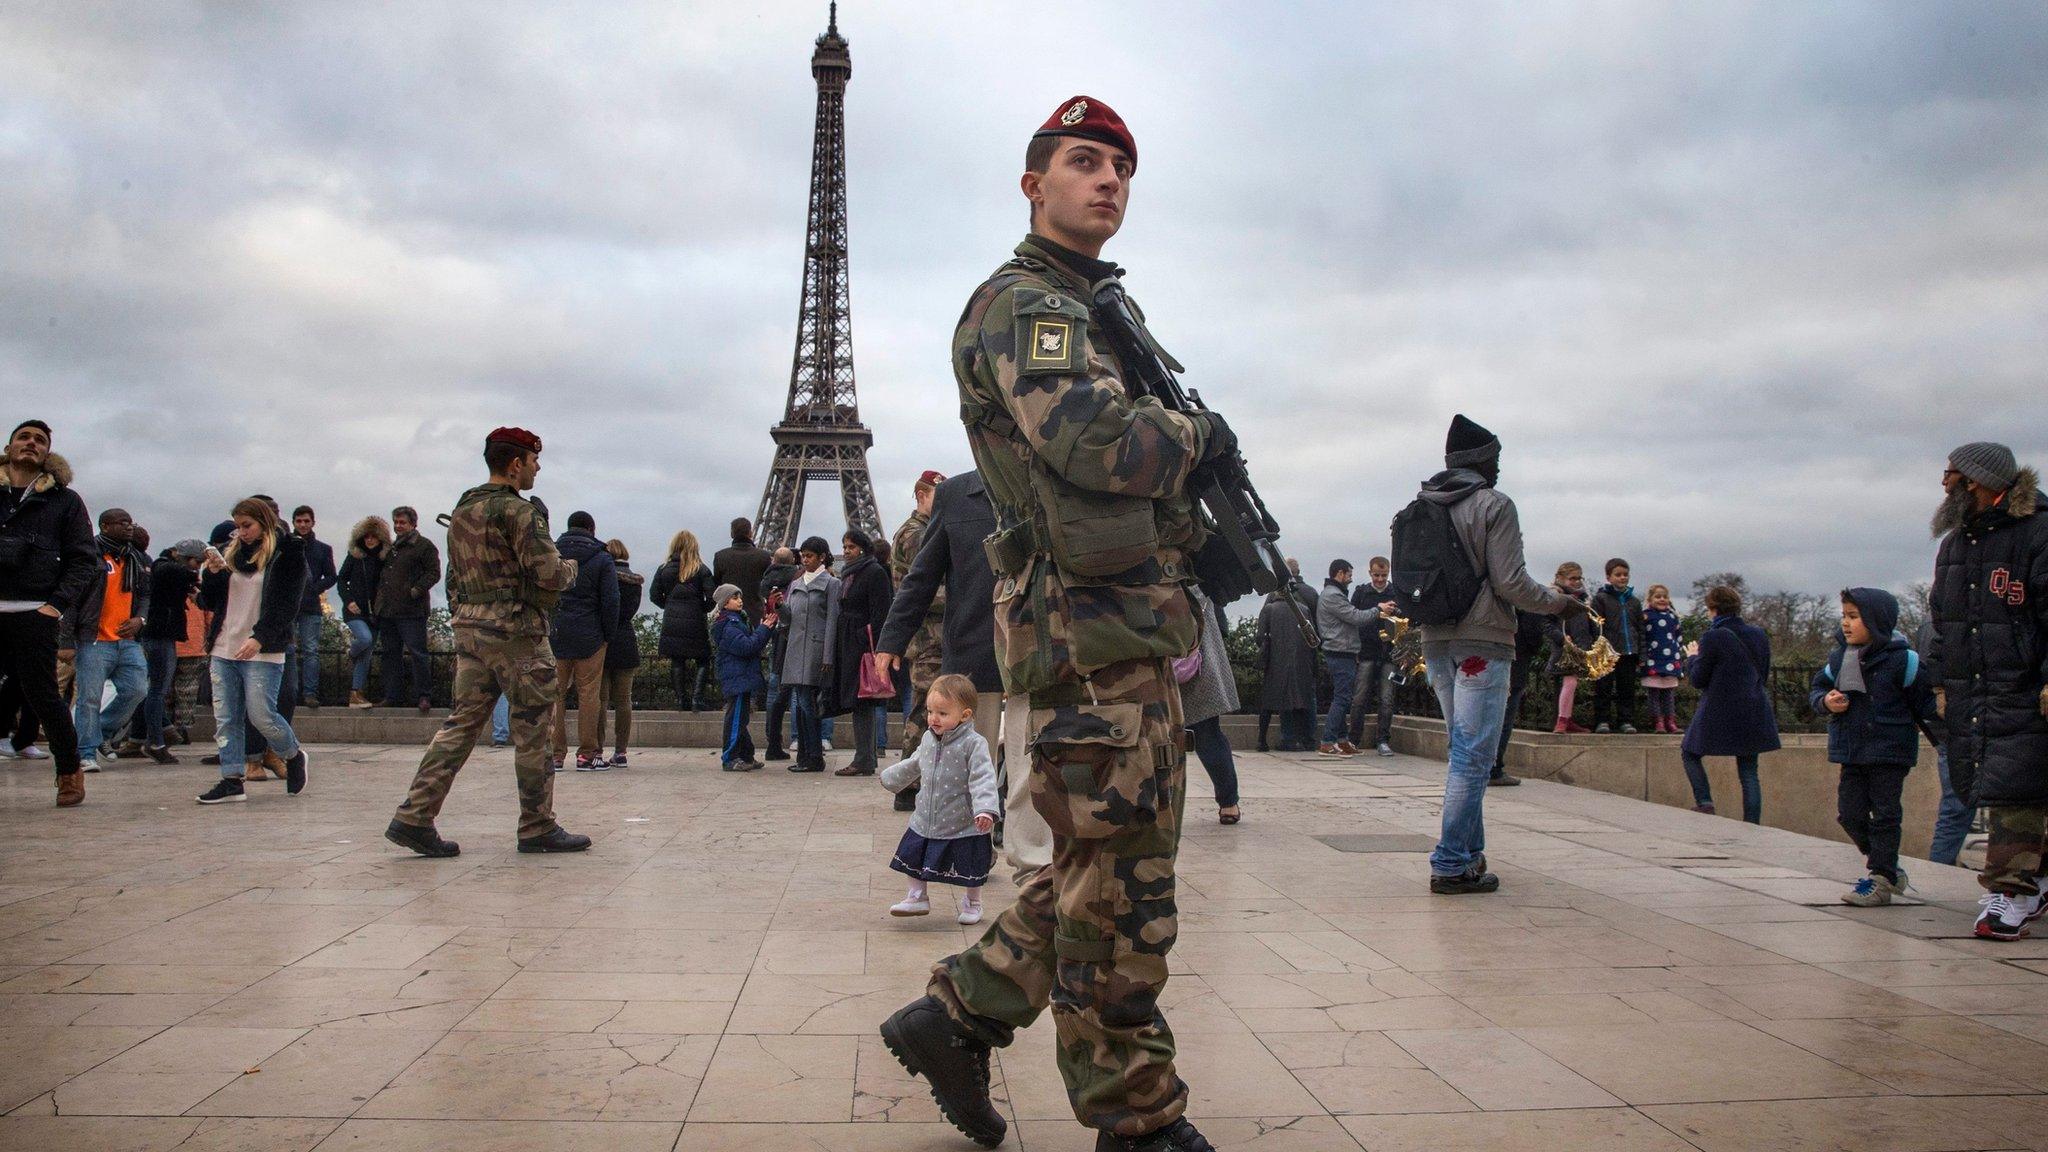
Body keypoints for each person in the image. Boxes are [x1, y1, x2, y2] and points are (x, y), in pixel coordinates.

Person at [880, 97, 1229, 1152]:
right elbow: (1088, 442)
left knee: (1101, 861)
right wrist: (1197, 436)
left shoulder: (1088, 307)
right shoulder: (1027, 305)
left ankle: (956, 1017)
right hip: (1084, 628)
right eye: (1082, 161)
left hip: (1115, 622)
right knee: (1123, 890)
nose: (1107, 180)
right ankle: (1135, 1119)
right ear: (1031, 185)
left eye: (1121, 165)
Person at [387, 427, 587, 857]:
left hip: (471, 629)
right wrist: (570, 566)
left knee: (461, 724)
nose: (537, 467)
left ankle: (414, 815)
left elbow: (454, 578)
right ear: (516, 463)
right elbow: (549, 574)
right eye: (534, 460)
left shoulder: (463, 510)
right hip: (517, 633)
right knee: (534, 728)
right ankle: (537, 824)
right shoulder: (520, 513)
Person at [1408, 414, 1579, 895]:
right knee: (1472, 756)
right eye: (1496, 457)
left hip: (1436, 643)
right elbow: (1510, 582)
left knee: (1465, 751)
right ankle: (1449, 861)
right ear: (1482, 460)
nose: (1499, 466)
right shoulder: (1494, 505)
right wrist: (1558, 602)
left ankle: (1469, 854)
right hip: (1483, 643)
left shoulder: (1422, 506)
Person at [1928, 442, 2048, 940]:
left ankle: (2013, 893)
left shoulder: (2039, 532)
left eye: (1950, 473)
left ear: (1977, 480)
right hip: (1975, 689)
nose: (1944, 483)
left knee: (2018, 788)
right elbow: (1942, 620)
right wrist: (1938, 679)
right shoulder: (1956, 544)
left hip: (2026, 686)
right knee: (1998, 785)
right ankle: (2028, 883)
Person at [876, 471, 1030, 850]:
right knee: (966, 762)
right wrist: (892, 637)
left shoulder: (1047, 480)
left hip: (1035, 647)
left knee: (1031, 766)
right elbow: (921, 576)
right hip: (975, 649)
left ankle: (1034, 862)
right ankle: (968, 848)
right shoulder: (954, 495)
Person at [1813, 587, 1942, 906]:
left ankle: (1881, 878)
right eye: (1844, 615)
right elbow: (1819, 687)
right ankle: (1888, 867)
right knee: (1849, 814)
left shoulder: (1904, 660)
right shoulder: (1838, 657)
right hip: (1851, 749)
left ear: (1876, 620)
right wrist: (1826, 701)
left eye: (1854, 617)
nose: (1845, 623)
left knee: (1885, 814)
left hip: (1890, 750)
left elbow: (1925, 702)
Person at [0, 419, 97, 806]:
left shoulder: (64, 500)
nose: (31, 443)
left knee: (43, 696)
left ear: (47, 453)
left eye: (40, 440)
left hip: (34, 611)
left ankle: (69, 772)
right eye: (24, 437)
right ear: (9, 446)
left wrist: (54, 606)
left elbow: (83, 559)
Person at [195, 497, 310, 803]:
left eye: (247, 526)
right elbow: (209, 601)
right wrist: (213, 574)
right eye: (237, 527)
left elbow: (288, 603)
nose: (241, 533)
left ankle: (293, 754)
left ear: (264, 523)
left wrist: (260, 637)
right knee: (227, 717)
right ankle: (231, 778)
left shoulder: (287, 552)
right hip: (225, 644)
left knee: (262, 715)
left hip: (263, 647)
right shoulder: (231, 554)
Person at [881, 673, 1000, 923]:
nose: (933, 718)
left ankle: (973, 903)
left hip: (963, 822)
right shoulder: (928, 738)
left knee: (970, 866)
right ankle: (916, 896)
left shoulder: (973, 744)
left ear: (965, 715)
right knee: (913, 855)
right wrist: (892, 777)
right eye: (930, 711)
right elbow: (915, 762)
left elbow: (983, 778)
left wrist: (985, 809)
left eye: (942, 713)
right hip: (925, 817)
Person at [1679, 585, 1779, 823]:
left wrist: (1692, 657)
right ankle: (1752, 822)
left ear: (1712, 609)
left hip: (1719, 709)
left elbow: (1698, 679)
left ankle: (1704, 802)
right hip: (1753, 706)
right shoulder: (1758, 634)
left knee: (1689, 752)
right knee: (1748, 770)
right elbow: (1763, 672)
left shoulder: (1713, 637)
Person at [65, 507, 152, 773]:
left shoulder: (136, 557)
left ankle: (101, 732)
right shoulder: (88, 555)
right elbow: (71, 598)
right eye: (122, 522)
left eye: (130, 521)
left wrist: (140, 619)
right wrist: (66, 639)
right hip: (94, 638)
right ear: (105, 526)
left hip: (127, 639)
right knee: (90, 697)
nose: (129, 527)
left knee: (137, 690)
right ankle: (86, 752)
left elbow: (145, 595)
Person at [549, 510, 619, 772]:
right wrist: (607, 635)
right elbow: (611, 601)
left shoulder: (553, 553)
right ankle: (587, 754)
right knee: (589, 696)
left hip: (556, 632)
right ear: (592, 529)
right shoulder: (602, 558)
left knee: (555, 694)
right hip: (590, 633)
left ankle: (556, 754)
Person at [823, 528, 892, 777]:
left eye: (850, 547)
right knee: (859, 700)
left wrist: (863, 635)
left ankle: (864, 758)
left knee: (862, 700)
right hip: (850, 642)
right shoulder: (850, 574)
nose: (846, 552)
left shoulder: (873, 572)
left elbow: (881, 611)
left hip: (861, 646)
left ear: (862, 548)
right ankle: (866, 757)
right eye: (844, 547)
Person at [890, 470, 947, 759]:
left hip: (928, 635)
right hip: (928, 636)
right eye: (940, 497)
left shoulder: (919, 531)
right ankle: (910, 782)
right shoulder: (917, 535)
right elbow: (922, 590)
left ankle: (912, 779)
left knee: (929, 706)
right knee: (927, 708)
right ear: (922, 495)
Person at [138, 539, 205, 763]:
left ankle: (160, 732)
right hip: (159, 634)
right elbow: (187, 576)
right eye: (196, 561)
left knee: (157, 690)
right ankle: (155, 741)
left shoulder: (166, 568)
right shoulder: (164, 567)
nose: (197, 567)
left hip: (162, 634)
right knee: (157, 690)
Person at [1316, 559, 1390, 757]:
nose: (1350, 578)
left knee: (1343, 696)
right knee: (1342, 698)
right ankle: (1327, 741)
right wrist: (1379, 609)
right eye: (1348, 574)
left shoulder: (1333, 593)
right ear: (1340, 574)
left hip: (1342, 651)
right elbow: (1356, 617)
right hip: (1340, 652)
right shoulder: (1333, 595)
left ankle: (1342, 741)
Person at [1182, 585, 1243, 823]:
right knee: (1208, 735)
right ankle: (1229, 803)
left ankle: (1229, 801)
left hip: (1183, 664)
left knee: (1206, 735)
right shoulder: (1201, 579)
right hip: (1199, 665)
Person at [779, 537, 840, 773]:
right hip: (796, 650)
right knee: (804, 705)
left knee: (808, 706)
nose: (805, 560)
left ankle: (813, 757)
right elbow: (789, 619)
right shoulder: (795, 584)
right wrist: (778, 607)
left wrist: (827, 656)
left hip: (815, 652)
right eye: (803, 556)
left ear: (822, 557)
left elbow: (833, 621)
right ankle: (806, 756)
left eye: (810, 556)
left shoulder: (831, 584)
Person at [1915, 618, 1972, 866]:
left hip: (1945, 727)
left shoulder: (1929, 625)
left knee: (1954, 807)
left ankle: (1940, 867)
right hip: (1962, 724)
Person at [376, 506, 440, 712]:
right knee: (390, 654)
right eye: (395, 522)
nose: (398, 526)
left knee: (418, 654)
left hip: (412, 611)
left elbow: (433, 573)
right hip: (389, 610)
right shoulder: (391, 548)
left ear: (413, 523)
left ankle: (424, 695)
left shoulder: (424, 546)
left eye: (402, 522)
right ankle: (393, 695)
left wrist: (416, 590)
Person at [710, 582, 774, 771]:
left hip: (741, 677)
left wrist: (764, 629)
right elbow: (747, 647)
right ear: (725, 602)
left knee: (740, 719)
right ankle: (730, 757)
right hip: (737, 677)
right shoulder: (729, 624)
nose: (739, 601)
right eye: (734, 598)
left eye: (739, 597)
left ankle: (746, 755)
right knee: (736, 719)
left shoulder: (737, 620)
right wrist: (764, 629)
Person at [651, 530, 717, 711]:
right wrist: (701, 609)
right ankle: (697, 699)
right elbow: (712, 597)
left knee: (677, 660)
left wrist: (670, 606)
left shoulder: (663, 569)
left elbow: (654, 595)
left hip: (672, 621)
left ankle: (681, 700)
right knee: (703, 659)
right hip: (695, 620)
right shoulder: (701, 569)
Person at [595, 538, 643, 768]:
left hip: (603, 641)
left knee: (600, 700)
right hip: (626, 640)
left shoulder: (603, 577)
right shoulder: (635, 582)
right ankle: (621, 750)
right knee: (624, 701)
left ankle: (596, 748)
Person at [1347, 556, 1399, 756]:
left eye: (1383, 575)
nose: (1380, 579)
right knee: (1359, 698)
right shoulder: (1361, 592)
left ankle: (1383, 740)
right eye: (1377, 575)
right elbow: (1353, 620)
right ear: (1370, 573)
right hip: (1366, 652)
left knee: (1387, 699)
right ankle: (1353, 739)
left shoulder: (1395, 592)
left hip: (1389, 654)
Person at [288, 505, 338, 708]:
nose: (302, 525)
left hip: (310, 605)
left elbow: (332, 576)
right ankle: (288, 692)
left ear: (313, 523)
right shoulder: (286, 546)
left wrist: (313, 588)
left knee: (310, 650)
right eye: (299, 521)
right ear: (293, 523)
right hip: (288, 605)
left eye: (306, 521)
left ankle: (310, 693)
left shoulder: (322, 549)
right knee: (287, 649)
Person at [1489, 608, 1545, 787]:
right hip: (1515, 658)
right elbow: (1533, 634)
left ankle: (1480, 766)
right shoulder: (1525, 599)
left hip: (1486, 657)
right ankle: (1494, 768)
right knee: (1504, 718)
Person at [1256, 586, 1317, 752]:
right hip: (1301, 663)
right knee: (1299, 701)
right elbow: (1313, 638)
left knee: (1267, 704)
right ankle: (1302, 740)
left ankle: (1262, 740)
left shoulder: (1269, 609)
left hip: (1275, 663)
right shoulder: (1304, 610)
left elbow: (1260, 636)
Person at [1589, 558, 1646, 733]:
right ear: (1609, 577)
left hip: (1629, 652)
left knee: (1626, 688)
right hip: (1608, 652)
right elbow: (1596, 625)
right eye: (1618, 574)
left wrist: (1642, 654)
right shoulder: (1601, 599)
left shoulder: (1634, 602)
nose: (1622, 578)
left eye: (1625, 575)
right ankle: (1602, 720)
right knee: (1604, 687)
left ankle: (1626, 720)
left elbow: (1640, 629)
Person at [338, 516, 389, 708]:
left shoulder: (384, 559)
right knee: (365, 639)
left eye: (373, 537)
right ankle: (350, 651)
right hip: (355, 610)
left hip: (375, 612)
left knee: (366, 655)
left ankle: (356, 693)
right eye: (366, 537)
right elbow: (341, 579)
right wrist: (348, 600)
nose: (369, 540)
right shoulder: (355, 556)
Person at [1543, 562, 1596, 733]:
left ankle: (1567, 717)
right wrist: (1562, 638)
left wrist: (1593, 641)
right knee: (1570, 682)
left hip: (1579, 648)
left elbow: (1590, 624)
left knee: (1571, 685)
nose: (1576, 582)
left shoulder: (1583, 600)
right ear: (1560, 578)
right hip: (1563, 649)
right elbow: (1546, 624)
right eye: (1572, 578)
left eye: (1578, 578)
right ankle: (1562, 720)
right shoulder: (1555, 598)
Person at [759, 546, 800, 759]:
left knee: (775, 689)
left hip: (773, 634)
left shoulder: (765, 580)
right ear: (793, 559)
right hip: (792, 635)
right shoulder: (798, 577)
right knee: (795, 690)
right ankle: (796, 737)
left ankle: (772, 739)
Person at [1641, 584, 1685, 733]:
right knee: (1654, 692)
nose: (1662, 599)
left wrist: (1677, 653)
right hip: (1652, 659)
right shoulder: (1646, 616)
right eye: (1658, 596)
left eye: (1665, 597)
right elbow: (1642, 637)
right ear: (1650, 599)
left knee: (1668, 693)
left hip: (1670, 660)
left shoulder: (1673, 616)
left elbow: (1679, 636)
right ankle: (1658, 722)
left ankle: (1670, 721)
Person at [712, 517, 774, 624]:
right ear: (750, 533)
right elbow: (769, 586)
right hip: (754, 615)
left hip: (728, 615)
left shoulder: (720, 556)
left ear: (732, 534)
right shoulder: (764, 556)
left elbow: (717, 586)